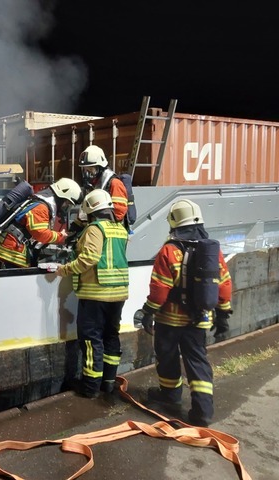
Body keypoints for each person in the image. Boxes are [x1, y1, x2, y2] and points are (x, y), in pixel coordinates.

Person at [134, 199, 233, 426]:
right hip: (198, 321)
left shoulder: (169, 251)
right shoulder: (211, 252)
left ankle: (170, 396)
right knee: (198, 362)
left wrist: (148, 312)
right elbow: (224, 284)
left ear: (174, 223)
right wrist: (223, 313)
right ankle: (203, 412)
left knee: (167, 358)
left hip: (169, 321)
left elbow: (159, 290)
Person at [54, 188, 129, 398]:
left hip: (95, 294)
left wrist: (65, 269)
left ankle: (89, 388)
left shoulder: (95, 229)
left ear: (90, 209)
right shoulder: (120, 229)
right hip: (119, 293)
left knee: (91, 340)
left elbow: (89, 259)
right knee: (111, 336)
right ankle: (108, 383)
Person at [0, 177, 82, 268]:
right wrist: (61, 236)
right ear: (62, 197)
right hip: (13, 252)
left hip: (14, 249)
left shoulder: (41, 202)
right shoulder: (41, 208)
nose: (66, 208)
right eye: (67, 204)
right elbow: (40, 233)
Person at [69, 145, 129, 235]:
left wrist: (98, 224)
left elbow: (119, 213)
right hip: (97, 233)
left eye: (90, 169)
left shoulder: (115, 183)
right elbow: (85, 210)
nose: (87, 174)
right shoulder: (92, 186)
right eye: (84, 170)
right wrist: (77, 225)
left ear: (100, 167)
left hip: (112, 234)